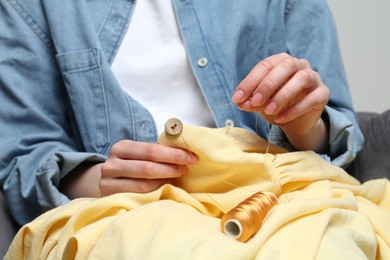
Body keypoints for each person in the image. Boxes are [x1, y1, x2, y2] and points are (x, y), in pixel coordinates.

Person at [0, 0, 363, 227]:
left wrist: (305, 124)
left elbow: (339, 130)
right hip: (124, 219)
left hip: (276, 202)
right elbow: (21, 158)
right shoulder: (31, 6)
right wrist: (95, 180)